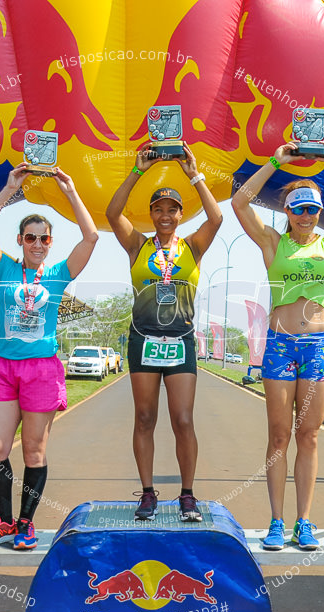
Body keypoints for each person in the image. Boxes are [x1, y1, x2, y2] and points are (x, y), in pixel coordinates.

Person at [231, 141, 324, 550]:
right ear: (287, 212)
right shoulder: (271, 243)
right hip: (280, 346)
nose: (305, 216)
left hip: (316, 348)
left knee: (309, 436)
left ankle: (304, 522)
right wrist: (275, 162)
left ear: (319, 211)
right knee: (279, 435)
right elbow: (240, 204)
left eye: (312, 208)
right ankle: (277, 522)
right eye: (298, 208)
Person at [0, 164, 97, 550]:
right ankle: (3, 522)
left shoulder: (58, 273)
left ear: (51, 242)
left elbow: (91, 236)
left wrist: (71, 190)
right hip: (5, 368)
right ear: (21, 240)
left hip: (42, 369)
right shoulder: (5, 267)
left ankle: (26, 523)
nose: (37, 244)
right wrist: (11, 188)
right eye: (30, 238)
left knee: (33, 450)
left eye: (44, 238)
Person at [105, 143, 222, 522]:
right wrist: (138, 171)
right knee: (144, 418)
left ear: (181, 214)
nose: (166, 215)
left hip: (180, 342)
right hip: (143, 340)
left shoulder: (193, 247)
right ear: (152, 214)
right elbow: (111, 213)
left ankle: (187, 494)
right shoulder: (137, 245)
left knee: (183, 419)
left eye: (172, 209)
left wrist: (194, 173)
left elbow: (217, 217)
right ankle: (149, 494)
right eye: (159, 209)